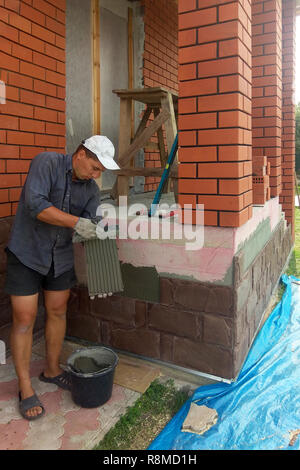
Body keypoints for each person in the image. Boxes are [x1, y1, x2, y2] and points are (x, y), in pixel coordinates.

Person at [4, 135, 120, 421]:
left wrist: (100, 232)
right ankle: (25, 386)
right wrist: (77, 222)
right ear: (80, 153)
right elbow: (36, 205)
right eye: (94, 167)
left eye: (100, 171)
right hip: (27, 253)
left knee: (57, 310)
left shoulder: (91, 190)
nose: (96, 175)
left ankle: (52, 370)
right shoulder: (47, 163)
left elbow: (88, 226)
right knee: (24, 318)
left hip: (60, 256)